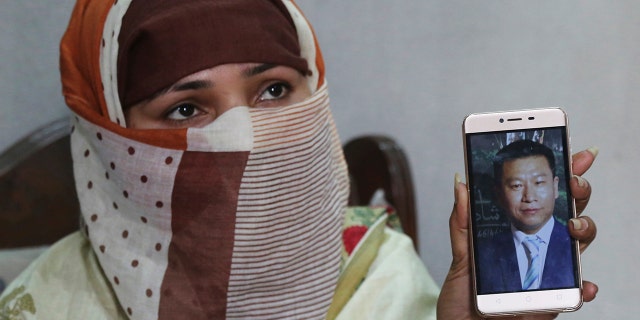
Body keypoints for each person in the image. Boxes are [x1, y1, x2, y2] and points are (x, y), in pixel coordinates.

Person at [0, 1, 599, 319]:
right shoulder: (44, 305)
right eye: (186, 109)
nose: (246, 134)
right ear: (110, 142)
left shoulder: (378, 269)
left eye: (274, 91)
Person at [476, 139, 575, 294]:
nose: (529, 197)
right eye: (517, 185)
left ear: (555, 187)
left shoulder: (575, 244)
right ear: (499, 194)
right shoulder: (484, 254)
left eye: (539, 183)